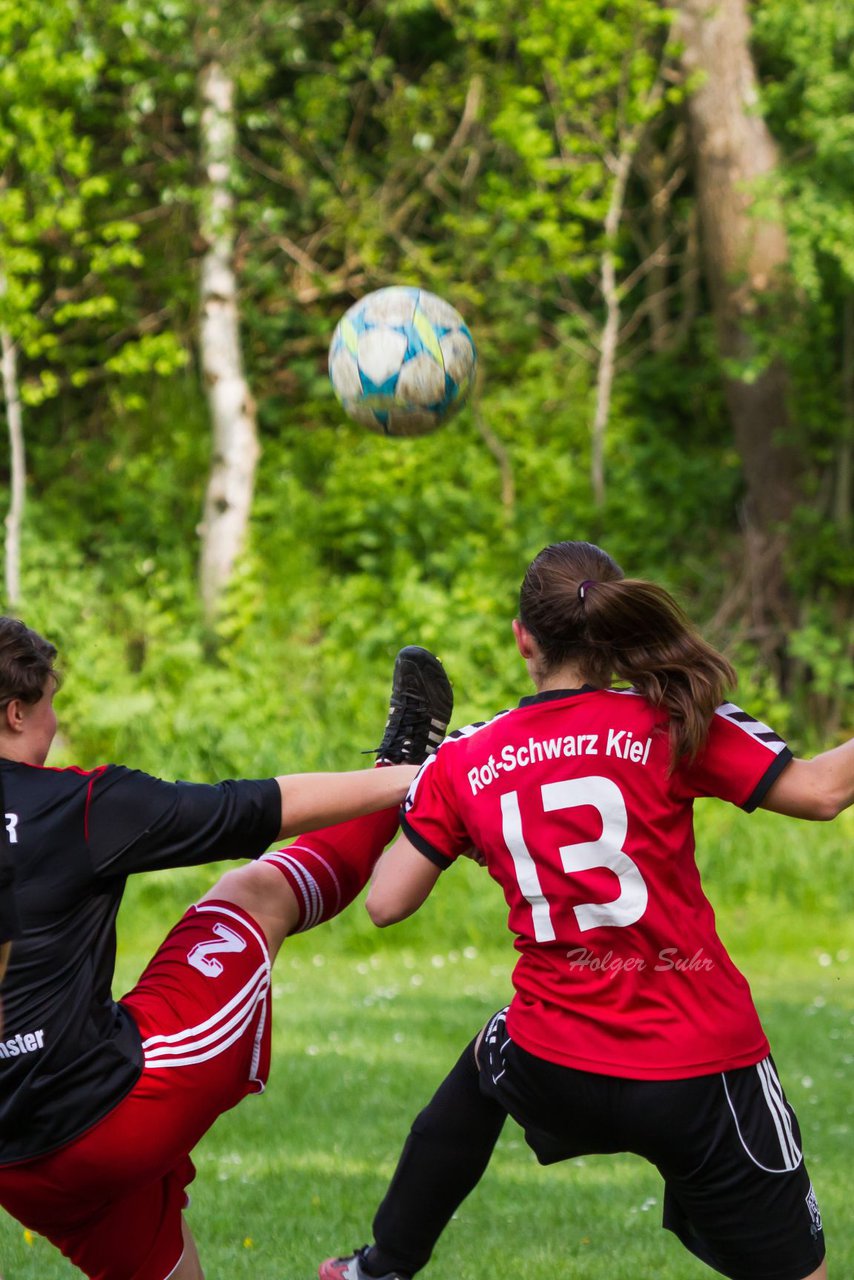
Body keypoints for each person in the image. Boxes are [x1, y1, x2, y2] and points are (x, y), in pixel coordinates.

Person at [320, 540, 853, 1280]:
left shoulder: (468, 757)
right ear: (615, 628)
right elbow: (823, 793)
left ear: (522, 640)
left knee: (488, 1059)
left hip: (554, 1063)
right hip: (698, 1069)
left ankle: (380, 1267)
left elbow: (385, 902)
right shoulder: (676, 717)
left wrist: (455, 815)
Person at [0, 617, 453, 1280]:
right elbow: (259, 807)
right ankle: (409, 760)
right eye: (48, 704)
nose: (54, 722)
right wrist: (422, 776)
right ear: (14, 712)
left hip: (17, 1171)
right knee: (255, 894)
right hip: (113, 1111)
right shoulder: (77, 804)